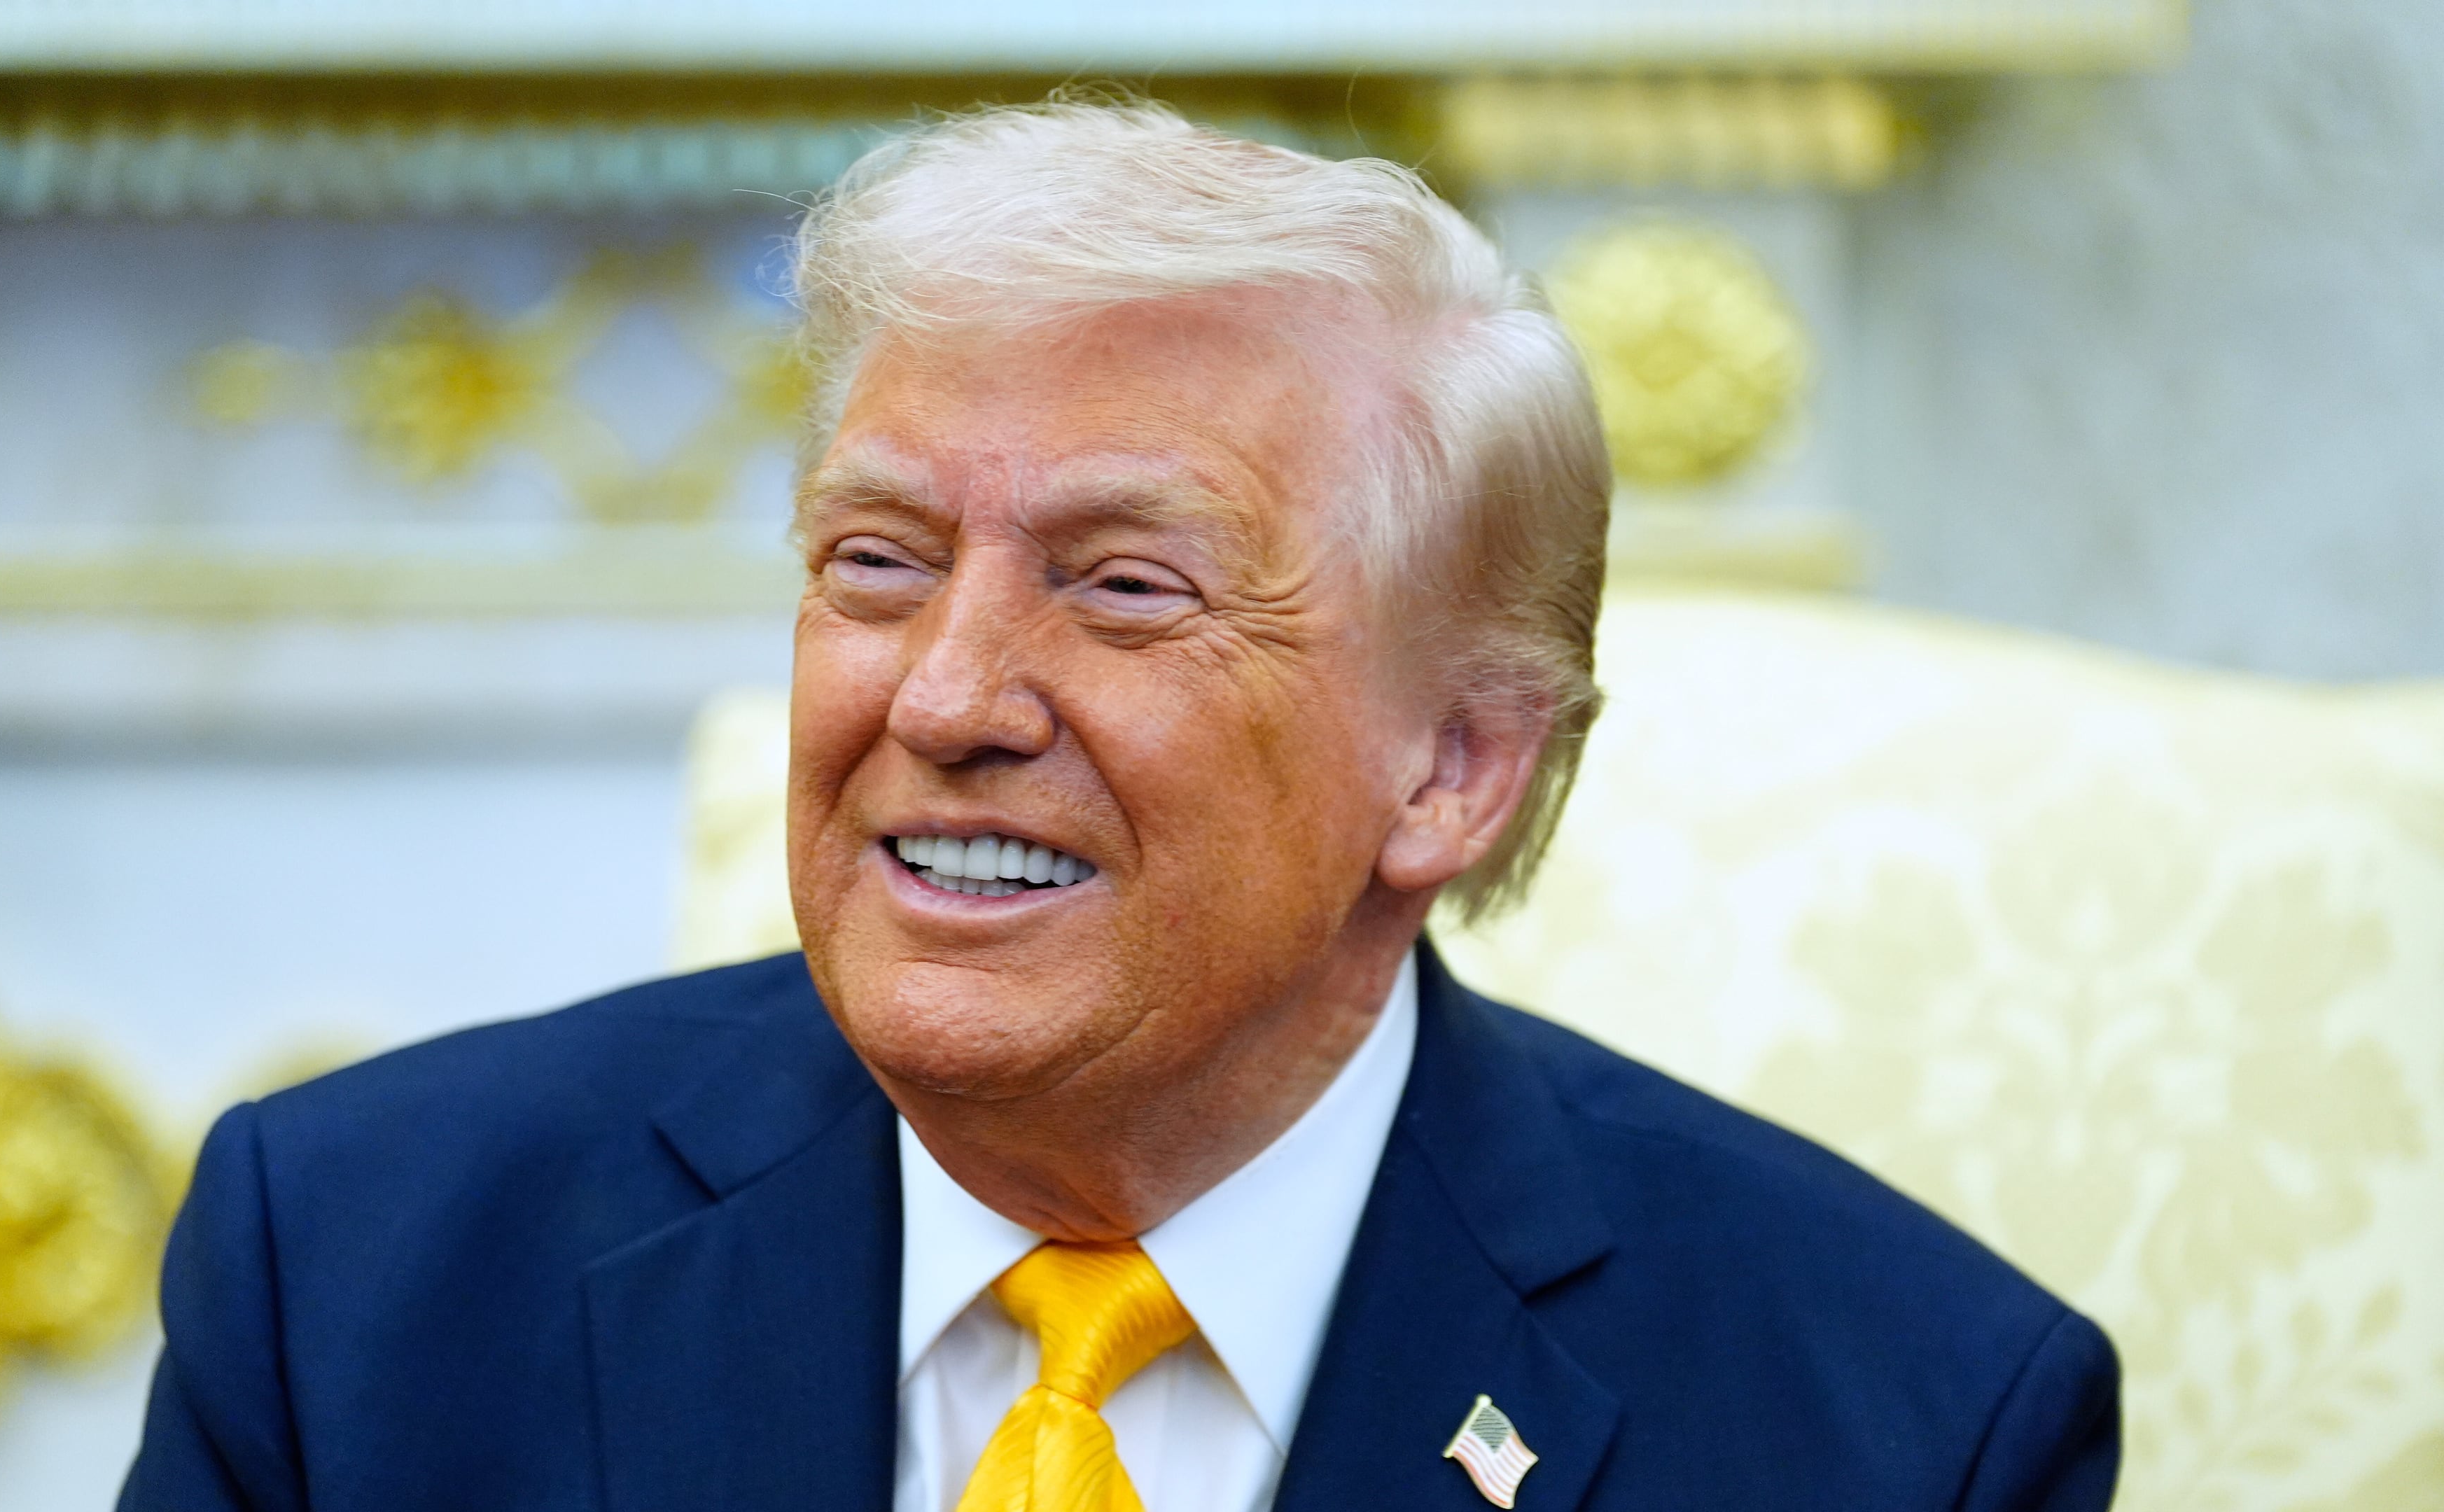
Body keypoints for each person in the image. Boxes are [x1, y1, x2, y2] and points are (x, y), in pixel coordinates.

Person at [118, 99, 2118, 1512]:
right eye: (878, 562)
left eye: (1124, 586)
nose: (950, 694)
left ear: (1455, 765)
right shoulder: (358, 1272)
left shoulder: (1902, 1422)